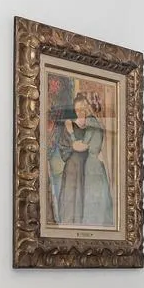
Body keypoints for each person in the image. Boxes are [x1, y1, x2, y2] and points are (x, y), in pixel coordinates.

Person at [55, 92, 114, 227]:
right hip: (73, 169)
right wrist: (71, 141)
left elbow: (86, 146)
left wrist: (75, 138)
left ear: (87, 108)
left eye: (83, 108)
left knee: (86, 206)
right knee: (71, 205)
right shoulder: (69, 125)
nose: (80, 112)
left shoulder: (92, 126)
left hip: (87, 169)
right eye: (77, 109)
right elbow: (64, 148)